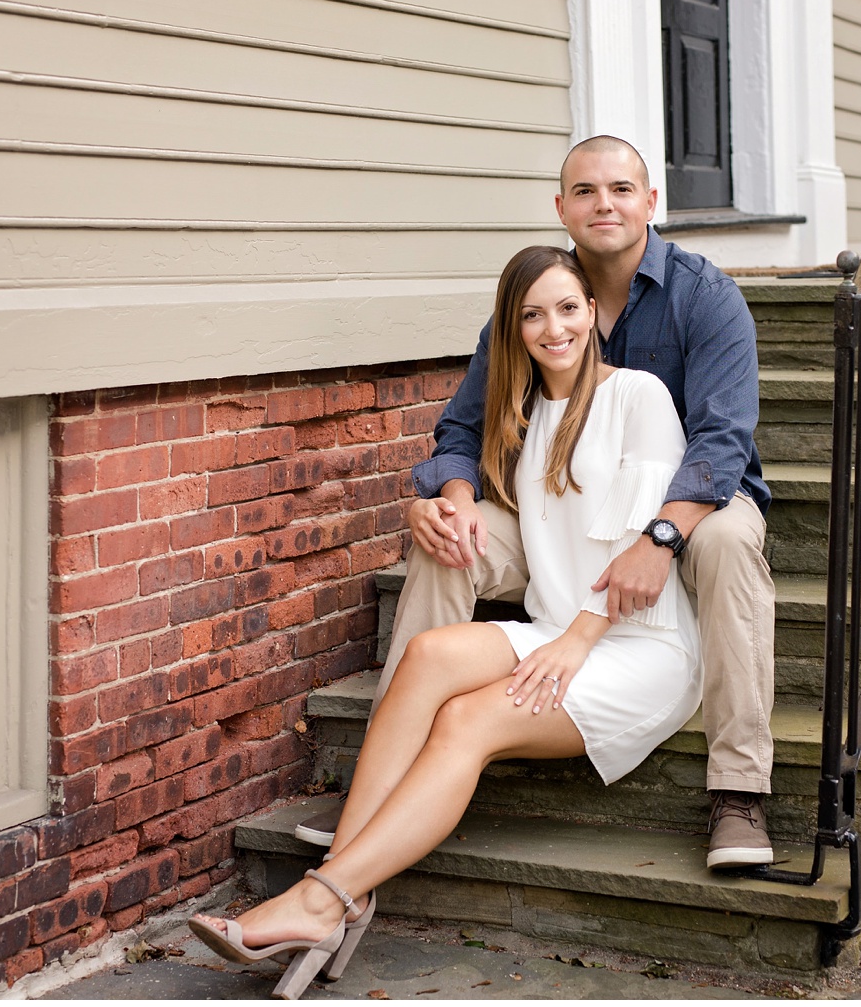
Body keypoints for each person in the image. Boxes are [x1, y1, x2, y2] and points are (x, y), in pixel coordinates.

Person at [189, 246, 701, 997]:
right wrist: (429, 508)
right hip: (558, 626)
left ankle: (321, 898)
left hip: (637, 646)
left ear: (594, 312)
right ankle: (349, 883)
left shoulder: (641, 396)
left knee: (466, 721)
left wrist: (574, 643)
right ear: (512, 329)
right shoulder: (523, 410)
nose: (552, 327)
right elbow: (476, 491)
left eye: (567, 307)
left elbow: (638, 560)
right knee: (429, 654)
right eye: (532, 315)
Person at [296, 135, 777, 868]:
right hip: (563, 512)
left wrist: (656, 539)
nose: (603, 203)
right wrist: (452, 498)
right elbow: (460, 427)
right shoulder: (540, 296)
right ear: (562, 207)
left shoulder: (701, 296)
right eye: (585, 191)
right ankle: (385, 782)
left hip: (695, 502)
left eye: (621, 188)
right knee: (452, 539)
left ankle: (739, 790)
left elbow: (721, 442)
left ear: (651, 202)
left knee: (731, 544)